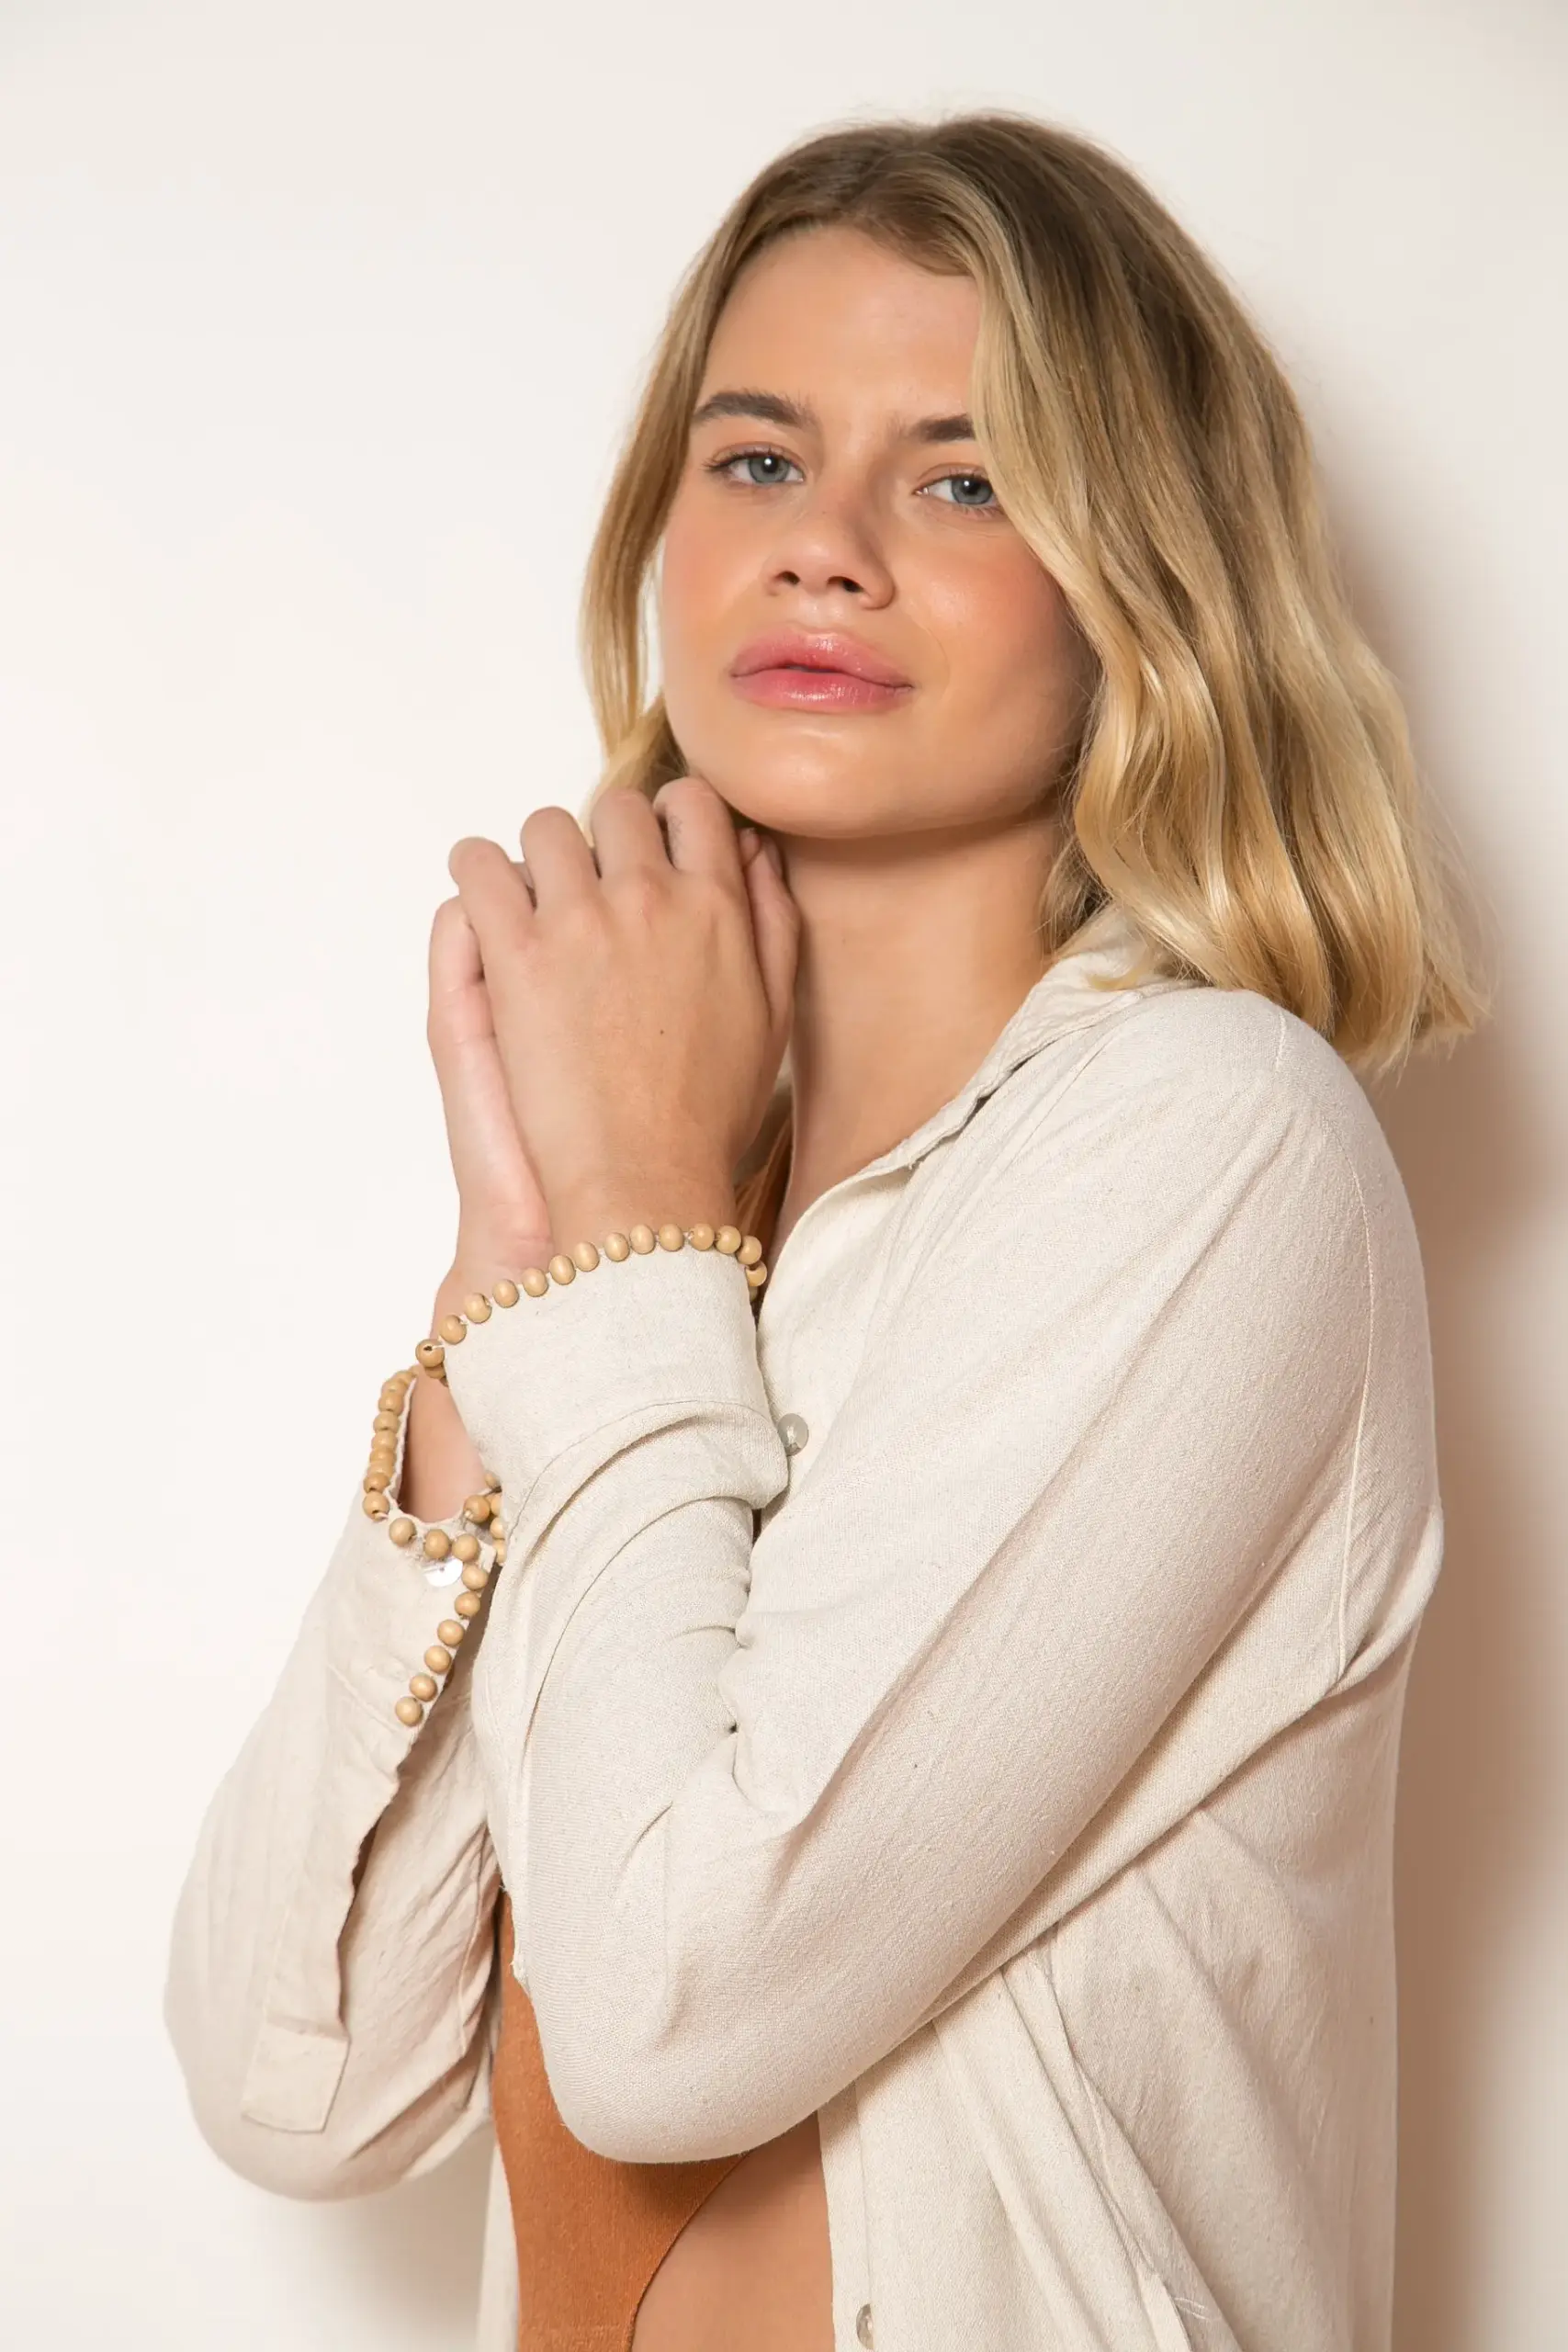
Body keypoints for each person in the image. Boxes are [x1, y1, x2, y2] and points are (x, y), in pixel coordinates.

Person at [164, 108, 1483, 2352]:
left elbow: (670, 2017)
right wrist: (513, 1268)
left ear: (1144, 583)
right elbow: (297, 2085)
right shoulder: (671, 1236)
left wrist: (621, 1245)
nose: (825, 550)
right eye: (758, 459)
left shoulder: (1204, 1142)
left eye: (963, 481)